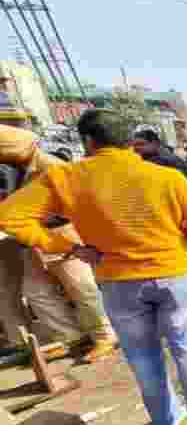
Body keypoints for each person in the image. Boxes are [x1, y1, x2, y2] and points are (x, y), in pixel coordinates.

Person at [0, 110, 187, 425]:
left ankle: (165, 421)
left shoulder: (66, 178)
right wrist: (173, 242)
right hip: (174, 276)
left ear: (87, 141)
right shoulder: (166, 178)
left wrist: (66, 245)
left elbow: (9, 217)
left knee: (143, 356)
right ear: (131, 141)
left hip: (117, 282)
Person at [0, 125, 119, 362]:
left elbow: (78, 205)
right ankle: (71, 336)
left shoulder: (54, 166)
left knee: (81, 289)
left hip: (61, 235)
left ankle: (104, 336)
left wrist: (39, 216)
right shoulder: (16, 169)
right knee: (37, 293)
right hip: (31, 241)